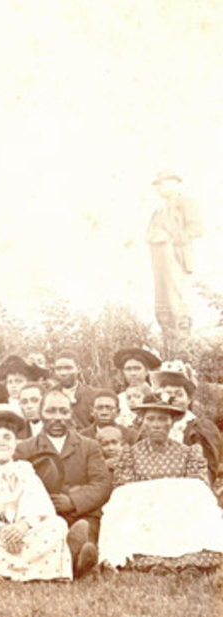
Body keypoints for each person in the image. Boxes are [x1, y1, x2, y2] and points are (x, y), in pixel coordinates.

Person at [99, 393, 223, 574]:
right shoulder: (130, 455)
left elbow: (197, 491)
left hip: (179, 513)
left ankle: (190, 563)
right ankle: (153, 562)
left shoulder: (188, 453)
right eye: (150, 419)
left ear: (171, 423)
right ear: (142, 422)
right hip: (144, 514)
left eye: (162, 419)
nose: (156, 424)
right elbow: (124, 492)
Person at [0, 409, 72, 582]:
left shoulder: (24, 470)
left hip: (22, 533)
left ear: (16, 442)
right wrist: (0, 529)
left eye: (7, 437)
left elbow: (40, 505)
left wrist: (23, 526)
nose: (1, 443)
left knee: (57, 524)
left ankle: (35, 570)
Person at [15, 390, 113, 578]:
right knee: (44, 535)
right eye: (51, 411)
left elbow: (102, 484)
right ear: (41, 413)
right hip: (43, 515)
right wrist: (44, 503)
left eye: (63, 411)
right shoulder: (24, 448)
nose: (58, 418)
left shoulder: (89, 446)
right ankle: (76, 561)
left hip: (81, 514)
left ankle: (80, 553)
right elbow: (18, 486)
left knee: (86, 529)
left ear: (71, 413)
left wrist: (73, 500)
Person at [146, 171, 203, 343]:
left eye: (162, 184)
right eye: (157, 185)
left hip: (176, 258)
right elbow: (148, 232)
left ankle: (182, 344)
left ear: (173, 183)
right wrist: (155, 236)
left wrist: (171, 239)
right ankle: (168, 345)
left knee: (176, 303)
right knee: (162, 305)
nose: (158, 189)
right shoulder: (159, 209)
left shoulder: (185, 203)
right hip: (159, 260)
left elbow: (196, 229)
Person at [150, 362, 219, 482]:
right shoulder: (153, 424)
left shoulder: (199, 428)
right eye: (168, 394)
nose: (173, 399)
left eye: (178, 394)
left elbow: (208, 469)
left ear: (189, 399)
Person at [51, 350, 97, 430]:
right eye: (59, 369)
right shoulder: (48, 396)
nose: (63, 373)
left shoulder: (93, 395)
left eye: (68, 368)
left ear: (78, 369)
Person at [112, 347, 161, 419]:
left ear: (147, 371)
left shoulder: (158, 396)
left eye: (137, 368)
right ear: (123, 372)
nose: (132, 373)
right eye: (128, 369)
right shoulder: (119, 399)